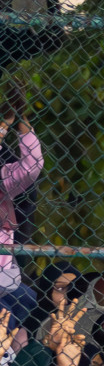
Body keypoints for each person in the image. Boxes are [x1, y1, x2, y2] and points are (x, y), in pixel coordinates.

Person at [0, 115, 42, 321]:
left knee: (28, 301)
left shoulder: (4, 178)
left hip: (3, 275)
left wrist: (20, 122)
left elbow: (31, 167)